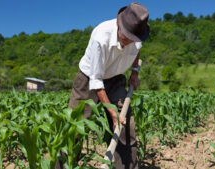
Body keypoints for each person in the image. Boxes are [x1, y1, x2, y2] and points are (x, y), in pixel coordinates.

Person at [55, 2, 149, 169]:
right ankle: (62, 166)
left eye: (132, 39)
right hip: (89, 79)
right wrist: (112, 113)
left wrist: (134, 72)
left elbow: (137, 52)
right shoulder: (101, 36)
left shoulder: (137, 35)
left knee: (126, 127)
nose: (129, 42)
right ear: (119, 25)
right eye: (126, 37)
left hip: (116, 78)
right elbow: (96, 81)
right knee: (74, 128)